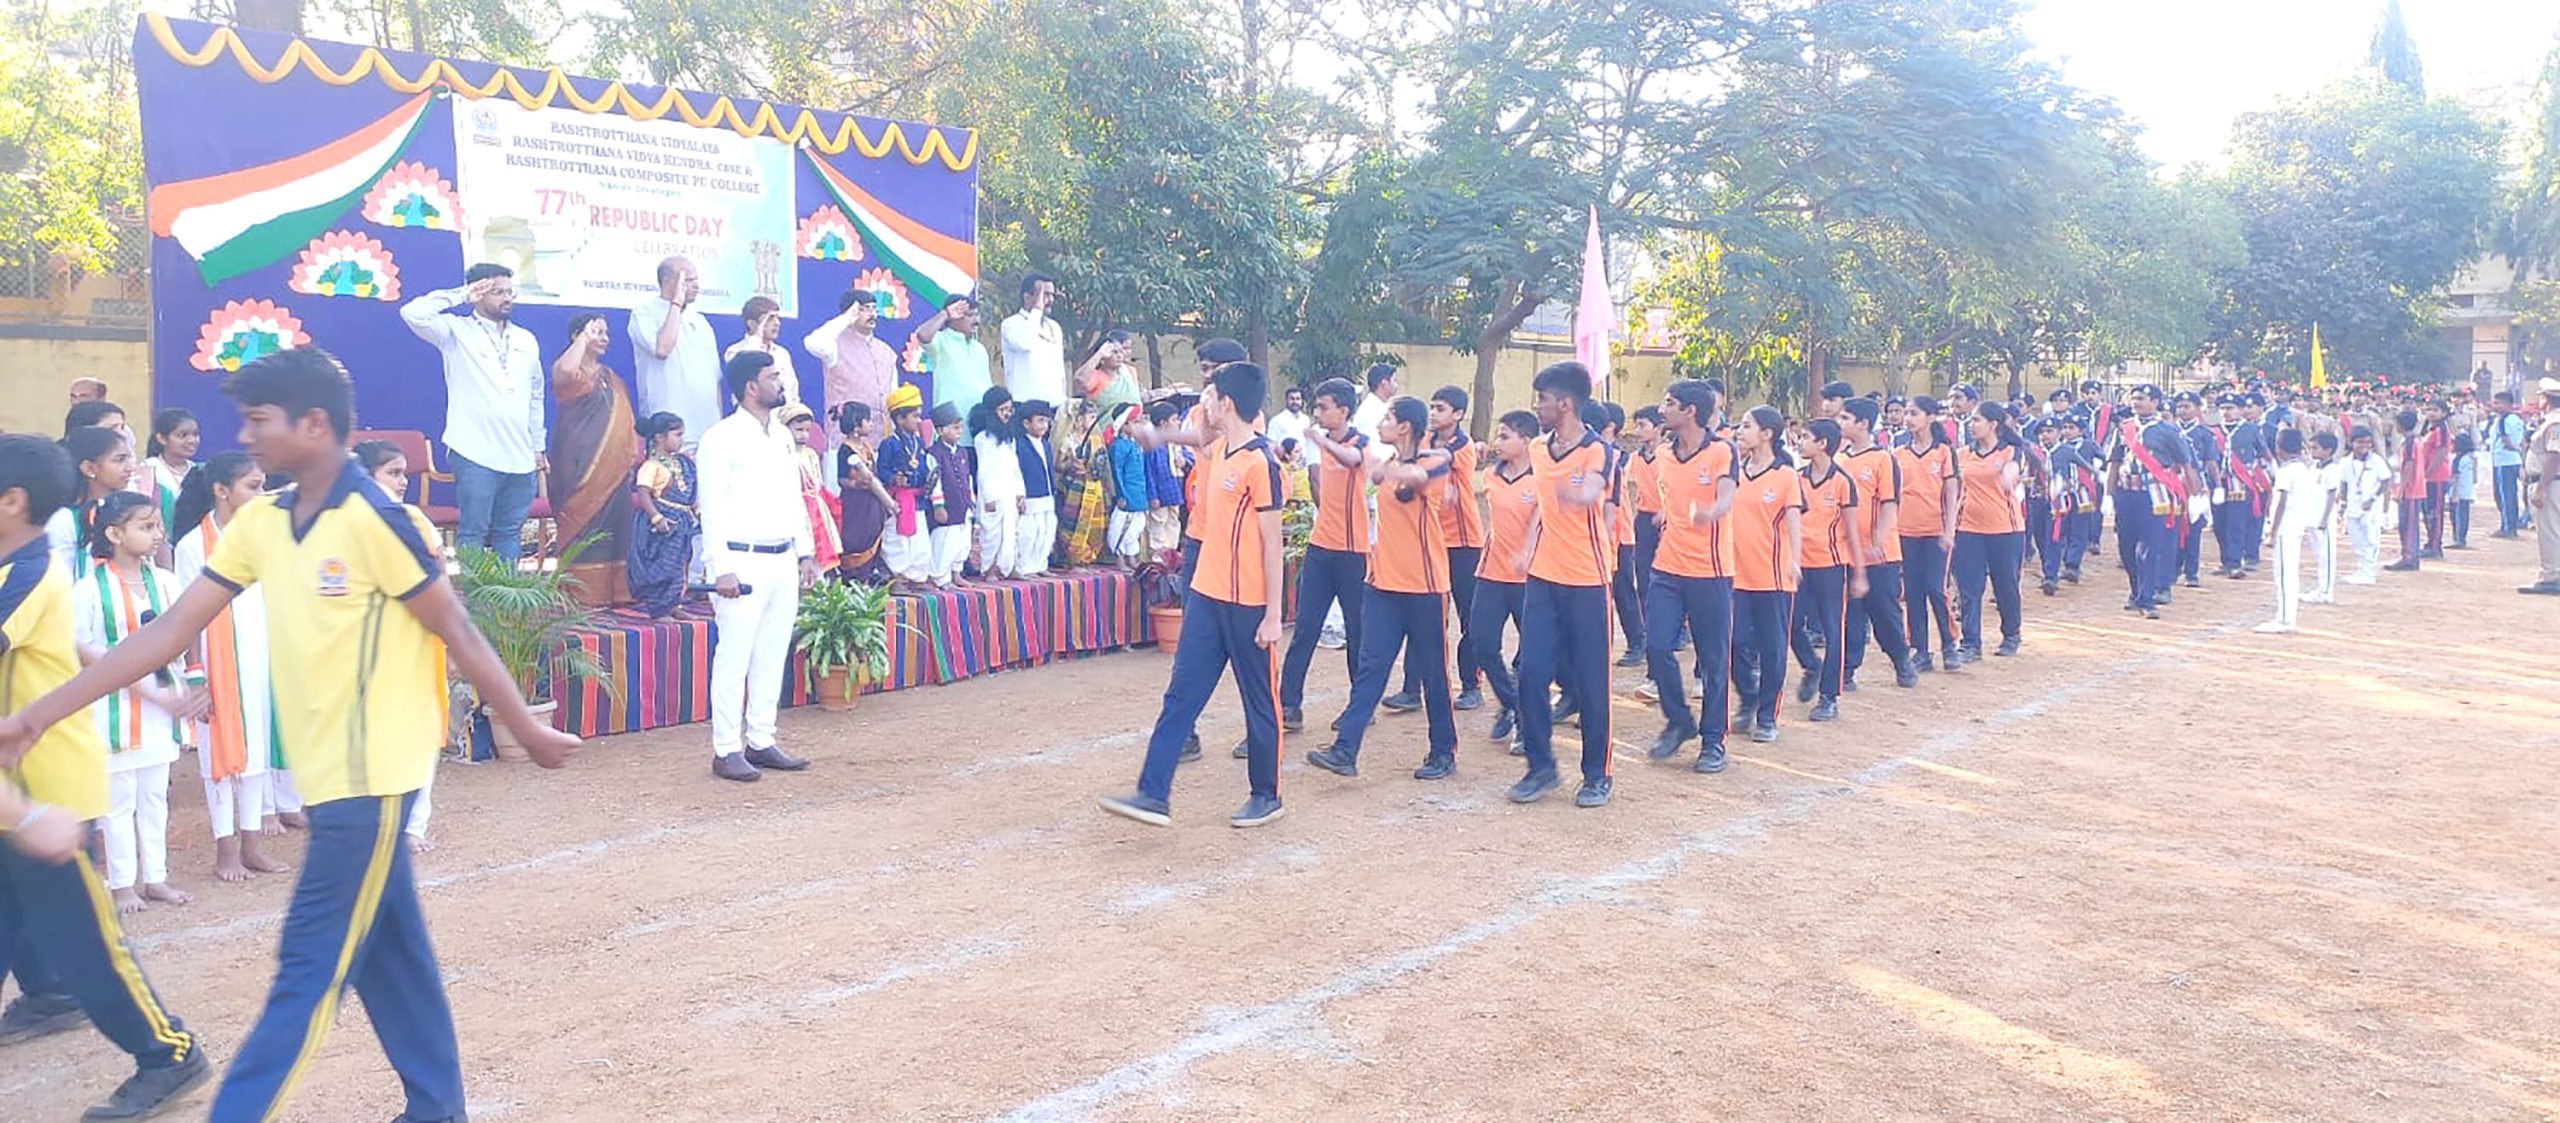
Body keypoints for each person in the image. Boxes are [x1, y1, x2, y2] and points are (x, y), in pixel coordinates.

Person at [0, 347, 579, 1123]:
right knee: (389, 954)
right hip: (327, 772)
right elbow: (170, 631)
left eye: (259, 419)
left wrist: (526, 728)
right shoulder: (264, 521)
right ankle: (437, 1107)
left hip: (375, 776)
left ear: (314, 424)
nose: (246, 434)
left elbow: (460, 630)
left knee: (306, 971)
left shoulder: (381, 519)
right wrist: (40, 711)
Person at [0, 433, 211, 1120]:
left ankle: (169, 1051)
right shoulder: (24, 567)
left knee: (83, 937)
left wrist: (32, 815)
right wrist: (149, 690)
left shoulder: (27, 574)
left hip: (45, 786)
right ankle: (48, 994)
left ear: (12, 501)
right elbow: (72, 643)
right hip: (19, 783)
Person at [1098, 363, 1288, 828]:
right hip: (1206, 594)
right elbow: (1194, 439)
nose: (1201, 405)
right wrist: (1158, 438)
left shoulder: (1261, 463)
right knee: (1181, 694)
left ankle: (1267, 794)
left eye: (1208, 397)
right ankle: (1152, 793)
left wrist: (1272, 614)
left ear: (1227, 404)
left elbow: (1272, 542)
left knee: (1259, 700)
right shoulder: (1220, 447)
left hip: (1247, 605)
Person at [1305, 396, 1460, 780]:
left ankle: (1443, 751)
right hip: (1384, 584)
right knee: (1372, 666)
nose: (1380, 424)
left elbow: (1417, 479)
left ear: (1406, 426)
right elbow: (1371, 471)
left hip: (1424, 587)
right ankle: (1346, 749)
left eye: (1388, 418)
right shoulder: (1392, 462)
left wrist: (1381, 464)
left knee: (1433, 672)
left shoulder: (1435, 460)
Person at [172, 451, 292, 883]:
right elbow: (187, 616)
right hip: (216, 661)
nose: (261, 495)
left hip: (261, 657)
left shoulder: (264, 536)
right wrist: (195, 671)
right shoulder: (192, 546)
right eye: (253, 487)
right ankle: (225, 849)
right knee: (216, 754)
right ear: (222, 491)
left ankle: (252, 845)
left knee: (257, 750)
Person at [699, 351, 818, 783]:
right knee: (735, 657)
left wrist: (804, 552)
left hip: (782, 557)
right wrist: (720, 568)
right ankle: (726, 748)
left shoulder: (783, 437)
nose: (781, 381)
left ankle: (761, 739)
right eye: (773, 376)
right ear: (752, 385)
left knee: (771, 655)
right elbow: (709, 508)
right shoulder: (720, 437)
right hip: (741, 561)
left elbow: (795, 497)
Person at [76, 492, 196, 915]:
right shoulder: (89, 589)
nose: (156, 533)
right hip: (113, 709)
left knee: (154, 797)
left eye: (157, 525)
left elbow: (185, 632)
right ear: (114, 534)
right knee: (119, 799)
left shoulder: (164, 581)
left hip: (160, 703)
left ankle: (156, 877)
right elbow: (80, 647)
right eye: (145, 527)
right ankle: (123, 882)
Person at [1511, 362, 1617, 808]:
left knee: (1592, 681)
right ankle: (1541, 767)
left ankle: (1597, 774)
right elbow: (1539, 501)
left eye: (1543, 400)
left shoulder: (1598, 449)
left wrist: (1577, 493)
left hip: (1588, 579)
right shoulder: (1537, 447)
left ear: (1565, 403)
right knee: (1531, 672)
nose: (1538, 407)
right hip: (1544, 576)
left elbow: (1593, 488)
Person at [402, 263, 547, 563]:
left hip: (520, 455)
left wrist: (538, 446)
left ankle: (506, 607)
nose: (506, 298)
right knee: (473, 532)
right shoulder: (455, 331)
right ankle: (478, 607)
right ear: (477, 293)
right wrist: (459, 295)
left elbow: (535, 396)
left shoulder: (526, 340)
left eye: (509, 292)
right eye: (497, 292)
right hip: (474, 451)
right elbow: (412, 313)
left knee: (509, 532)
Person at [1640, 379, 1738, 771]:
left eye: (1669, 403)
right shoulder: (1664, 454)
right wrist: (1669, 514)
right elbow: (1671, 498)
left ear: (1690, 411)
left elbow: (1728, 493)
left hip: (1710, 571)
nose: (1662, 410)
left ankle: (1713, 741)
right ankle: (1680, 721)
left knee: (1714, 658)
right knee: (1659, 646)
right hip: (1668, 566)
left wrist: (1712, 511)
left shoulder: (1720, 450)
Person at [356, 442, 447, 854]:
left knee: (420, 730)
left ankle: (413, 824)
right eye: (393, 473)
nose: (402, 482)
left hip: (415, 644)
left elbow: (439, 578)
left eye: (404, 473)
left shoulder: (417, 521)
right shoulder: (348, 524)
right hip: (366, 646)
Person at [1385, 386, 1485, 712]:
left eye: (1440, 408)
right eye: (1431, 407)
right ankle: (1412, 688)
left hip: (1464, 542)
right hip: (1433, 540)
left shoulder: (1462, 445)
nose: (1434, 414)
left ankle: (1472, 684)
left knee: (1469, 616)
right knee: (1425, 616)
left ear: (1458, 415)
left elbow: (1439, 461)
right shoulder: (1426, 442)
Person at [1278, 378, 1370, 732]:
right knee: (1305, 627)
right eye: (1316, 407)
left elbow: (1351, 459)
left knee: (1357, 630)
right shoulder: (1324, 441)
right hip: (1321, 546)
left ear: (1343, 411)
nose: (1317, 413)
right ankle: (1289, 705)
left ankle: (1360, 705)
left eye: (1323, 407)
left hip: (1352, 550)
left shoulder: (1357, 441)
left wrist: (1321, 441)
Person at [1728, 406, 1802, 744]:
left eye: (1746, 426)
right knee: (1734, 642)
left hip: (1773, 577)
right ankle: (1748, 696)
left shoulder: (1785, 475)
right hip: (1735, 574)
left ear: (1767, 434)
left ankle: (1767, 715)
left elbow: (1793, 521)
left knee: (1772, 649)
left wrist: (1795, 560)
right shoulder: (1735, 471)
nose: (1739, 432)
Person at [548, 312, 638, 578]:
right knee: (582, 523)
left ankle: (614, 590)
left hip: (614, 467)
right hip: (577, 461)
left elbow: (626, 420)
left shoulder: (611, 377)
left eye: (606, 333)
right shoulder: (565, 369)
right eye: (597, 331)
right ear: (578, 335)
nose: (605, 338)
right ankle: (580, 591)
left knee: (615, 524)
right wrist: (583, 340)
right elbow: (565, 374)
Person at [1786, 419, 1864, 722]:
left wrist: (1859, 573)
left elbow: (1852, 531)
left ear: (1823, 444)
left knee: (1833, 631)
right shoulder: (1796, 479)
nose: (1799, 442)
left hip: (1830, 566)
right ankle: (1810, 664)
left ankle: (1829, 696)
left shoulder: (1842, 482)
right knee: (1790, 624)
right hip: (1797, 566)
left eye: (1806, 437)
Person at [1836, 398, 1917, 689]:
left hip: (1880, 555)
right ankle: (1846, 670)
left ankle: (1901, 659)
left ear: (1863, 424)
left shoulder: (1883, 459)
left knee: (1884, 612)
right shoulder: (1839, 459)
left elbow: (1890, 503)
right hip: (1846, 553)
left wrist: (1877, 540)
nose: (1840, 423)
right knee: (1850, 615)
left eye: (1845, 418)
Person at [1472, 410, 1541, 748]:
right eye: (1497, 436)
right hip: (1492, 574)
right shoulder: (1490, 477)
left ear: (1525, 441)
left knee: (1531, 656)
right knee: (1482, 645)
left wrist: (1527, 551)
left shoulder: (1541, 479)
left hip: (1531, 578)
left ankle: (1526, 728)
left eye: (1505, 436)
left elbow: (1540, 522)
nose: (1498, 443)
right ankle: (1514, 706)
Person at [1952, 402, 2028, 658]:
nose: (1972, 425)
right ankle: (1970, 643)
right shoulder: (1963, 454)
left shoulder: (2011, 451)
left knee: (2005, 584)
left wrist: (2011, 475)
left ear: (1993, 424)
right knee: (1969, 588)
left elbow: (2014, 471)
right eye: (1971, 421)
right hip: (1968, 528)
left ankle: (2011, 634)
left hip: (2005, 529)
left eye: (1977, 420)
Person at [2108, 385, 2188, 620]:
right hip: (2126, 493)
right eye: (2133, 399)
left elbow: (2185, 464)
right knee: (2126, 548)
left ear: (2155, 402)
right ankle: (2136, 591)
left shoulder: (2168, 431)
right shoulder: (2124, 429)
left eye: (2141, 399)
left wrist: (2194, 496)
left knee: (2148, 548)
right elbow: (2114, 463)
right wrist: (2107, 496)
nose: (2136, 403)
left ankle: (2147, 598)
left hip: (2154, 495)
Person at [1893, 397, 1960, 671]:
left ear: (1931, 417)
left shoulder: (1943, 452)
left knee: (1936, 588)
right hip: (1905, 532)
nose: (1908, 418)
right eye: (1906, 413)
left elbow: (1952, 493)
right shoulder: (1898, 454)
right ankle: (1920, 649)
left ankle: (1949, 643)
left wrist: (1949, 529)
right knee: (1914, 592)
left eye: (1914, 413)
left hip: (1935, 532)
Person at [631, 256, 724, 449]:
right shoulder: (644, 313)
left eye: (696, 280)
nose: (696, 285)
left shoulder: (701, 321)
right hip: (668, 432)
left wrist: (718, 424)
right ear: (668, 281)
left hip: (707, 433)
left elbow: (714, 381)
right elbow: (662, 349)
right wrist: (676, 304)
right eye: (689, 280)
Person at [628, 413, 699, 616]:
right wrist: (656, 517)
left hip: (682, 523)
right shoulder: (651, 466)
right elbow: (643, 493)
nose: (681, 440)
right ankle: (659, 609)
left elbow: (689, 494)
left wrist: (696, 510)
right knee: (663, 566)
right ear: (659, 437)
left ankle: (674, 605)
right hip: (663, 524)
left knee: (681, 564)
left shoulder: (682, 463)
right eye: (677, 435)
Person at [2257, 429, 2323, 634]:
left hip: (2286, 527)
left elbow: (2281, 502)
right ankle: (2285, 616)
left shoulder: (2287, 471)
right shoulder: (2303, 468)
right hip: (2296, 524)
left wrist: (2272, 533)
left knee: (2284, 574)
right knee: (2287, 572)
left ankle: (2285, 619)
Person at [802, 289, 899, 425]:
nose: (872, 314)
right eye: (864, 309)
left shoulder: (886, 351)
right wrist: (846, 318)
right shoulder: (835, 346)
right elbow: (812, 343)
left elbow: (894, 394)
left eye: (874, 309)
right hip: (845, 435)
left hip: (882, 435)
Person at [48, 425, 131, 585]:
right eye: (119, 460)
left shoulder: (131, 510)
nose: (130, 467)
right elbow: (60, 580)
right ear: (89, 468)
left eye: (128, 458)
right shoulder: (65, 520)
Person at [875, 386, 936, 588]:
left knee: (919, 541)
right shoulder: (889, 444)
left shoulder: (918, 442)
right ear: (900, 419)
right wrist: (893, 478)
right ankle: (897, 577)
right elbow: (881, 470)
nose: (920, 421)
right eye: (915, 416)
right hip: (898, 500)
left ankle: (916, 576)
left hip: (917, 499)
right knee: (898, 540)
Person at [778, 403, 844, 575]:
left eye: (807, 430)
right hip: (795, 509)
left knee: (818, 548)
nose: (804, 435)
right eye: (799, 430)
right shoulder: (781, 454)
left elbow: (817, 484)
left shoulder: (811, 455)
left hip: (816, 510)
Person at [970, 388, 1025, 579]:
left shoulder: (1010, 438)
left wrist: (1020, 494)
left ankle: (1009, 568)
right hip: (992, 494)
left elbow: (1016, 467)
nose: (1007, 414)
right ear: (991, 411)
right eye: (1002, 409)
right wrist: (989, 497)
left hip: (1009, 491)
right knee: (991, 533)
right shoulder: (982, 438)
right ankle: (988, 569)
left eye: (1009, 410)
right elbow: (984, 471)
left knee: (1011, 531)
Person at [834, 402, 891, 582]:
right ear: (857, 425)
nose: (872, 424)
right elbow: (841, 479)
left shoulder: (865, 447)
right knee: (856, 537)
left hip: (871, 501)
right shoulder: (845, 450)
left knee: (873, 532)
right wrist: (856, 483)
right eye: (868, 421)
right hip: (856, 503)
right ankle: (853, 577)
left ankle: (869, 574)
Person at [914, 294, 994, 417]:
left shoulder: (979, 349)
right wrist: (945, 313)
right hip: (951, 424)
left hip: (979, 423)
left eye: (977, 315)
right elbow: (923, 335)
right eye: (970, 315)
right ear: (954, 317)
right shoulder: (941, 341)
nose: (976, 321)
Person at [924, 402, 976, 587]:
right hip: (947, 507)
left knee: (962, 543)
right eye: (955, 427)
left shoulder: (962, 452)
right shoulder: (934, 453)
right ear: (940, 430)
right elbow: (934, 482)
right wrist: (939, 506)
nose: (959, 431)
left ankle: (956, 573)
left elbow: (967, 477)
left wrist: (972, 501)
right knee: (945, 543)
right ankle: (940, 577)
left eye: (960, 427)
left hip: (963, 505)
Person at [1000, 273, 1069, 406]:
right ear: (1027, 297)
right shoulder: (1011, 324)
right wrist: (1036, 311)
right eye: (1045, 295)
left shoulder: (1054, 327)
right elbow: (1025, 344)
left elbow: (1059, 371)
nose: (1051, 300)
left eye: (1052, 295)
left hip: (1055, 405)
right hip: (1025, 406)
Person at [722, 295, 803, 406]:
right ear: (752, 323)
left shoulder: (782, 353)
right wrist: (757, 336)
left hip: (782, 420)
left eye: (777, 318)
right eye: (770, 318)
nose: (777, 323)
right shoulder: (735, 352)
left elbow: (792, 392)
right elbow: (748, 365)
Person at [2339, 426, 2392, 586]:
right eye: (2360, 442)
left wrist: (2375, 498)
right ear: (2351, 442)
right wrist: (2343, 503)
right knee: (2357, 539)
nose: (2365, 446)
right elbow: (2344, 483)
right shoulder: (2345, 462)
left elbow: (2385, 480)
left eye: (2368, 443)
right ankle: (2362, 569)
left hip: (2371, 506)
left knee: (2371, 538)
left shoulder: (2376, 460)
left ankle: (2369, 572)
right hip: (2353, 505)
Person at [137, 408, 201, 541]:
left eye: (195, 434)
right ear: (161, 438)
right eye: (182, 435)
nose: (192, 440)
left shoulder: (199, 471)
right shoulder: (148, 469)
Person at [2522, 378, 2560, 595]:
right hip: (2550, 481)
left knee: (2550, 531)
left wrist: (2542, 488)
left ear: (2546, 398)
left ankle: (2551, 576)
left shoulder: (2554, 423)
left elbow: (2555, 456)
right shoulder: (2551, 421)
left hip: (2550, 482)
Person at [1014, 400, 1059, 576]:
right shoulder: (1019, 444)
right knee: (1030, 532)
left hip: (1047, 494)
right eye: (1040, 420)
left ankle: (1041, 565)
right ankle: (1025, 567)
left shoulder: (1045, 444)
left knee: (1046, 531)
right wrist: (1020, 495)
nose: (1044, 425)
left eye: (1047, 421)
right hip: (1030, 494)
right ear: (1026, 423)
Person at [1107, 406, 1151, 569]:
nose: (1139, 426)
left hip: (1139, 492)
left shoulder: (1133, 444)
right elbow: (1116, 472)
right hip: (1127, 493)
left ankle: (1131, 556)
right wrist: (1121, 494)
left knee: (1136, 526)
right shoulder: (1118, 446)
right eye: (1135, 422)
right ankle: (1119, 558)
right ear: (1124, 425)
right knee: (1122, 525)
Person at [2385, 409, 2427, 573]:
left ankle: (2409, 556)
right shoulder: (2413, 440)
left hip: (2411, 489)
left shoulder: (2410, 442)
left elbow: (2409, 465)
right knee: (2408, 524)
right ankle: (2410, 555)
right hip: (2414, 488)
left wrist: (2402, 488)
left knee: (2407, 525)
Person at [2307, 431, 2345, 606]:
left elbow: (2332, 495)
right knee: (2318, 554)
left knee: (2326, 555)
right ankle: (2320, 587)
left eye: (2315, 448)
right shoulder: (2314, 467)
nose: (2311, 451)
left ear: (2328, 450)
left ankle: (2326, 591)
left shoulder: (2332, 470)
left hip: (2324, 518)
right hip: (2312, 516)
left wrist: (2325, 518)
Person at [2487, 390, 2528, 538]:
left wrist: (2513, 447)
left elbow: (2506, 439)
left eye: (2497, 403)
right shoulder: (2516, 420)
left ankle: (2509, 526)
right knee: (2507, 494)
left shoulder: (2504, 420)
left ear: (2508, 404)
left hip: (2505, 460)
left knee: (2505, 495)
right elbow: (2523, 441)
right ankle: (2508, 524)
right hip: (2509, 460)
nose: (2494, 405)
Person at [1267, 384, 1313, 464]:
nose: (1295, 402)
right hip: (1286, 465)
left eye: (1298, 399)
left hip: (1304, 465)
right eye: (1292, 399)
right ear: (1286, 400)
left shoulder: (1305, 419)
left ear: (1302, 401)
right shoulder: (1277, 420)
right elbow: (1271, 446)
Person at [2451, 431, 2479, 550]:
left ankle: (2458, 538)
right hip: (2467, 490)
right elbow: (2475, 477)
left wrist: (2454, 493)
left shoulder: (2458, 459)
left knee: (2458, 515)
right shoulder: (2471, 458)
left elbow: (2456, 477)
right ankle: (2461, 538)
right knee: (2464, 514)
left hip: (2460, 491)